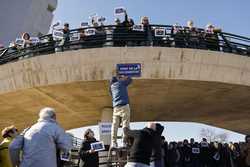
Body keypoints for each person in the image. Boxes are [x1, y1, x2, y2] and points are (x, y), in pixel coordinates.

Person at [110, 74, 132, 148]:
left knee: (115, 125)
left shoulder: (111, 87)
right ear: (118, 79)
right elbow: (130, 80)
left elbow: (111, 95)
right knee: (125, 124)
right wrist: (123, 76)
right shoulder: (121, 83)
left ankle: (113, 142)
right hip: (124, 106)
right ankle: (124, 142)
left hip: (116, 107)